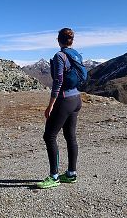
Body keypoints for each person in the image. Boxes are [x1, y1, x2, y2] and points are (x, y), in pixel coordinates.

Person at [36, 28, 82, 189]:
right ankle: (71, 174)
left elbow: (58, 81)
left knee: (49, 136)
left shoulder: (59, 56)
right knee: (70, 136)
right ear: (71, 40)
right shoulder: (76, 54)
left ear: (58, 40)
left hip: (64, 100)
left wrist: (51, 105)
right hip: (76, 98)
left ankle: (54, 176)